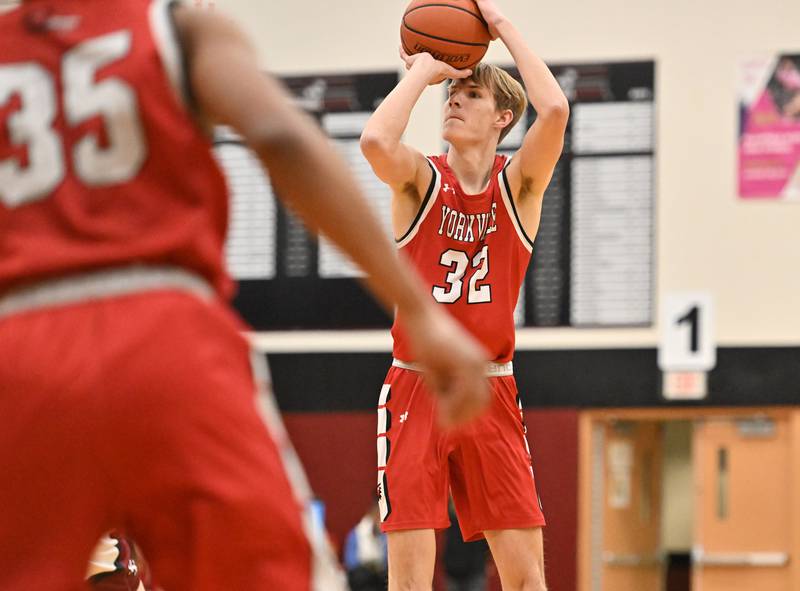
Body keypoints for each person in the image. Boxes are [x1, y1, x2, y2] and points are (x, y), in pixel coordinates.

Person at [0, 1, 491, 590]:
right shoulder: (177, 24)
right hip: (160, 331)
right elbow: (281, 134)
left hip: (20, 350)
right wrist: (418, 310)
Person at [360, 0, 569, 589]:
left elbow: (553, 108)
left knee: (527, 579)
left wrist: (498, 23)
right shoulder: (421, 180)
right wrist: (421, 74)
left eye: (471, 94)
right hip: (415, 385)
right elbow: (376, 140)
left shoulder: (519, 186)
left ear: (503, 116)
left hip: (491, 387)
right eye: (452, 94)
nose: (454, 99)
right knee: (408, 581)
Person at [343, 502, 388, 591]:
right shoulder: (356, 534)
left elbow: (387, 558)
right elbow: (351, 561)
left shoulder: (384, 536)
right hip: (362, 575)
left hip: (379, 575)